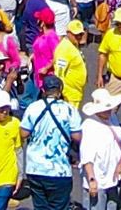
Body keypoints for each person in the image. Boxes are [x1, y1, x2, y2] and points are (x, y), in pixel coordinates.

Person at [21, 74, 81, 210]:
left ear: (43, 90)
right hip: (59, 170)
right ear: (60, 91)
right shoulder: (69, 109)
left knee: (40, 206)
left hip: (35, 168)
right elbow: (77, 136)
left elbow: (23, 133)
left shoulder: (33, 108)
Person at [78, 89, 121, 210]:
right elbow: (86, 155)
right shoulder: (89, 125)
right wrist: (92, 180)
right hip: (98, 179)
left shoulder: (112, 118)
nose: (108, 110)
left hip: (114, 177)